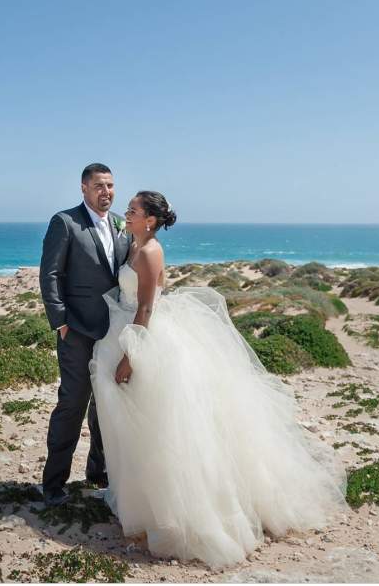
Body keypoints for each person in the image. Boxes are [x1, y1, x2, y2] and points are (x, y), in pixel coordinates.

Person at [89, 190, 348, 569]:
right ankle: (141, 507)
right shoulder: (134, 245)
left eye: (132, 210)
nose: (125, 214)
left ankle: (182, 518)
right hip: (121, 331)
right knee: (136, 429)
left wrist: (131, 355)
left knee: (162, 430)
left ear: (150, 219)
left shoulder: (149, 252)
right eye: (127, 209)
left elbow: (146, 305)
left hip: (141, 340)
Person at [39, 163, 130, 507]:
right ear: (83, 188)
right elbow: (49, 274)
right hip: (76, 330)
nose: (105, 192)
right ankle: (54, 484)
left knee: (106, 404)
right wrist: (60, 321)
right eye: (98, 186)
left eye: (110, 186)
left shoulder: (123, 224)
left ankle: (98, 472)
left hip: (113, 331)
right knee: (73, 403)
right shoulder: (65, 222)